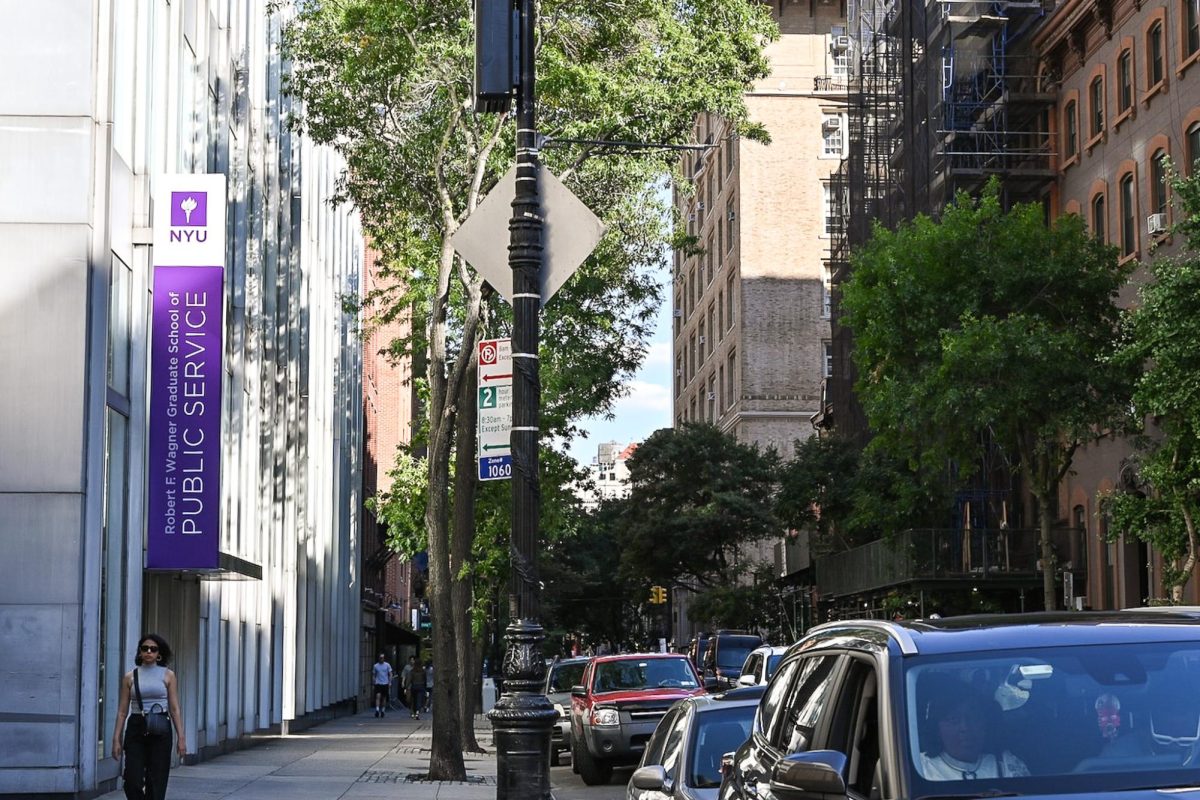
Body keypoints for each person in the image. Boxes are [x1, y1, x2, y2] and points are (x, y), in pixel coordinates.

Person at [112, 633, 186, 800]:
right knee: (132, 779)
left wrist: (181, 737)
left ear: (159, 653)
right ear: (140, 652)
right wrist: (116, 738)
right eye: (145, 648)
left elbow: (174, 708)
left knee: (157, 779)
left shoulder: (168, 675)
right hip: (136, 726)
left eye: (153, 649)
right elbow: (122, 711)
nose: (149, 652)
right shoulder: (130, 677)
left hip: (160, 726)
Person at [918, 681, 1029, 780]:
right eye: (953, 720)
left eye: (973, 718)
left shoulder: (1005, 763)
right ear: (936, 728)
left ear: (985, 724)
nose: (965, 728)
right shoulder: (921, 768)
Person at [372, 654, 394, 718]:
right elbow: (374, 674)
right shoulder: (375, 666)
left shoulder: (387, 665)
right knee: (378, 696)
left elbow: (390, 673)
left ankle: (383, 711)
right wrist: (374, 682)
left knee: (384, 697)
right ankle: (377, 710)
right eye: (380, 657)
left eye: (382, 658)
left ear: (384, 658)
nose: (381, 659)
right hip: (378, 683)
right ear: (378, 658)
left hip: (385, 683)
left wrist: (390, 682)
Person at [409, 655, 428, 719]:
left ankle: (414, 712)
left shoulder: (412, 671)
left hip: (414, 686)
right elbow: (425, 680)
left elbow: (410, 679)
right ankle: (417, 712)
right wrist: (425, 688)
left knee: (414, 700)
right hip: (421, 686)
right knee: (419, 700)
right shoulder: (423, 671)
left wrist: (406, 687)